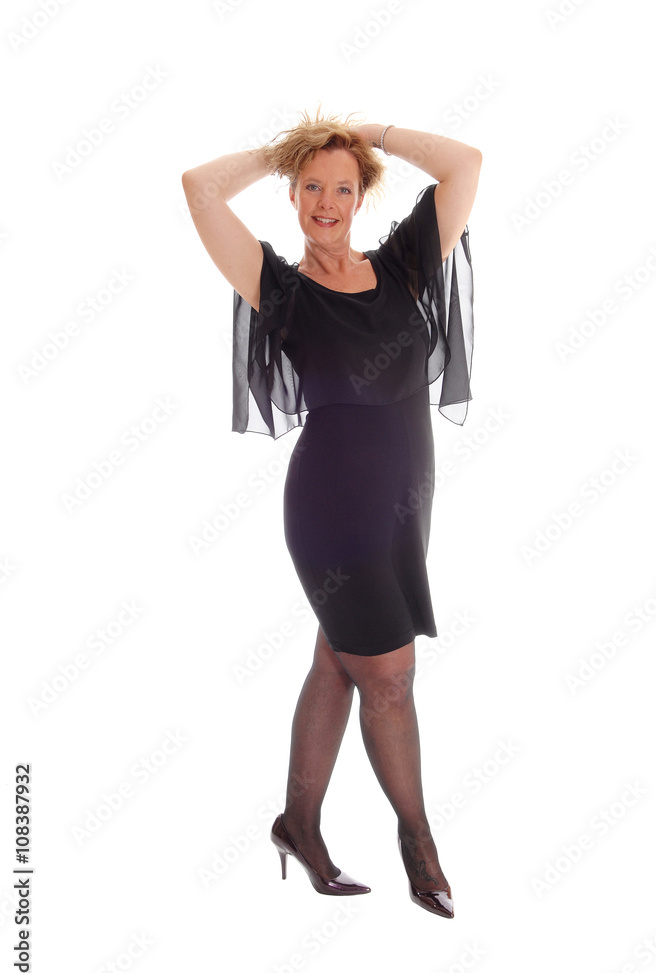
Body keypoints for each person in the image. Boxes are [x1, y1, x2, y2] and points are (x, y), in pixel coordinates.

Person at [182, 110, 481, 918]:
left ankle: (298, 826)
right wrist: (288, 144)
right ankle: (418, 840)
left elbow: (464, 164)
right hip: (330, 510)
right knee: (388, 675)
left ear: (361, 196)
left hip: (404, 507)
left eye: (341, 187)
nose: (325, 200)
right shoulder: (278, 288)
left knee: (336, 664)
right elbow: (199, 188)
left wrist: (374, 132)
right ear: (292, 193)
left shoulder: (407, 265)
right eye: (310, 185)